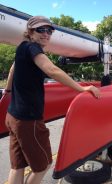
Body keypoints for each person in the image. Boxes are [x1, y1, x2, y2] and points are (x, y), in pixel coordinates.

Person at [4, 16, 100, 184]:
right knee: (44, 165)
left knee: (17, 166)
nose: (46, 34)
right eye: (41, 30)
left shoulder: (22, 48)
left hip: (13, 116)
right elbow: (52, 70)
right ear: (31, 32)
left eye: (49, 30)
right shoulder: (33, 48)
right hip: (28, 120)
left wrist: (7, 91)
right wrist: (82, 88)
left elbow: (13, 69)